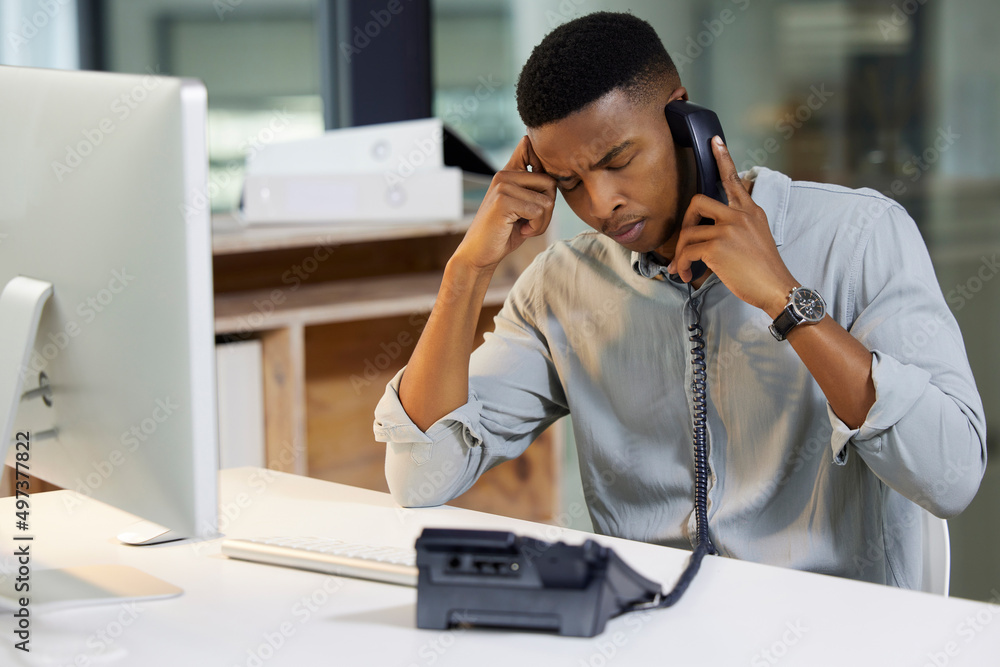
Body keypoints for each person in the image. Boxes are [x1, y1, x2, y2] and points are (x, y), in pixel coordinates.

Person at [373, 11, 986, 588]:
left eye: (618, 160)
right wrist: (465, 273)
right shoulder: (561, 287)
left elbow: (950, 476)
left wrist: (782, 297)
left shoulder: (857, 237)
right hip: (649, 630)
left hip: (833, 638)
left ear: (685, 121)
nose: (600, 203)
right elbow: (422, 476)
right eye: (569, 183)